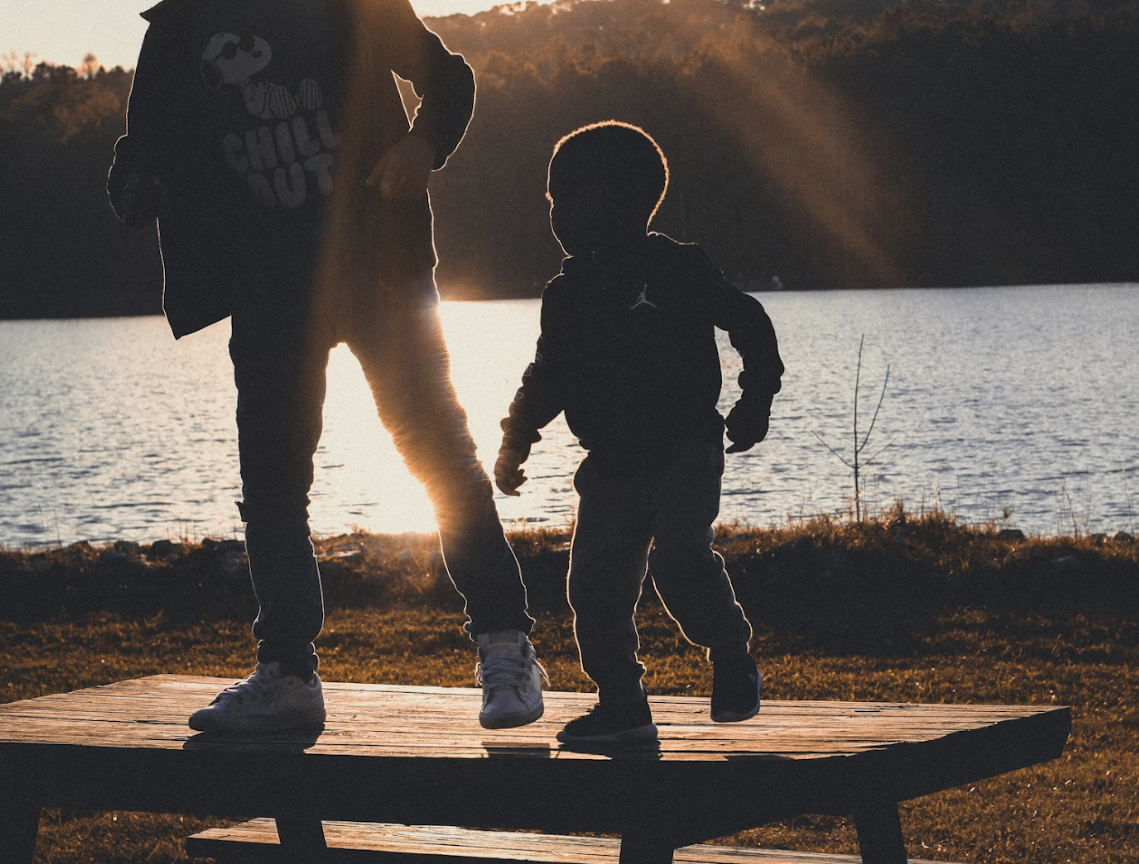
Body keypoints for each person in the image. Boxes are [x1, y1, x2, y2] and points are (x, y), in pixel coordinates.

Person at [107, 0, 544, 734]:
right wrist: (135, 191)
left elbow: (450, 80)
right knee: (273, 487)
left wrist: (423, 144)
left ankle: (507, 647)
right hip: (270, 290)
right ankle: (286, 673)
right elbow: (136, 155)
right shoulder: (181, 28)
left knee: (439, 454)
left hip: (381, 273)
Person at [495, 122, 784, 746]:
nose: (555, 215)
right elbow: (548, 374)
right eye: (551, 201)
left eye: (568, 199)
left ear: (626, 199)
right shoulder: (566, 293)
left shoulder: (679, 267)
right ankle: (623, 704)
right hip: (610, 464)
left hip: (685, 448)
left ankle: (731, 651)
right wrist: (516, 436)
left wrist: (755, 398)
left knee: (681, 559)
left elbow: (751, 323)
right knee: (593, 586)